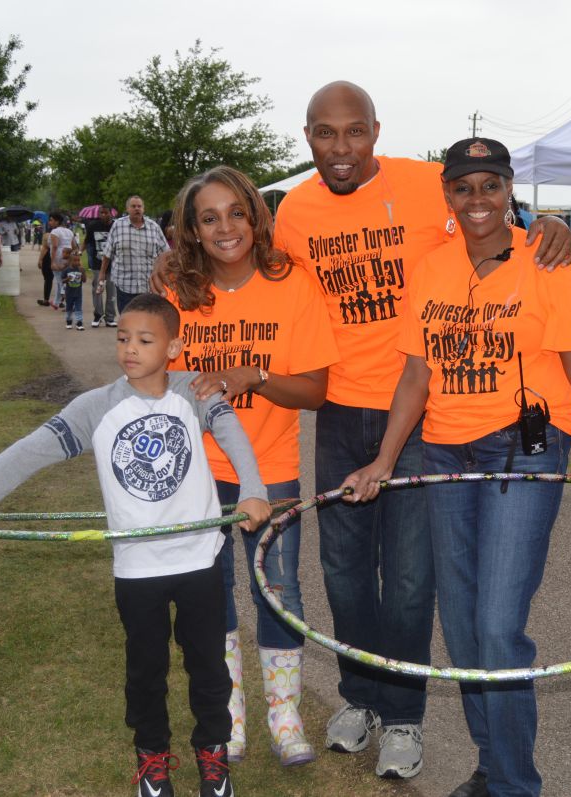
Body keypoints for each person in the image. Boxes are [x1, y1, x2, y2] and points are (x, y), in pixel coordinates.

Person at [202, 81, 571, 782]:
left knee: (408, 581)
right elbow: (253, 270)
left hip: (420, 412)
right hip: (340, 411)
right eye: (324, 134)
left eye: (353, 132)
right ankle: (360, 698)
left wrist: (553, 222)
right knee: (344, 575)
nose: (340, 148)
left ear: (376, 130)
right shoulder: (296, 210)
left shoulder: (421, 184)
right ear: (307, 135)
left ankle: (404, 717)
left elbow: (490, 213)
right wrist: (178, 264)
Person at [341, 137, 571, 797]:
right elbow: (414, 375)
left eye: (491, 185)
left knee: (495, 624)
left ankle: (516, 785)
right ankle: (493, 766)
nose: (478, 199)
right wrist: (382, 458)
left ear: (509, 188)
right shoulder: (429, 268)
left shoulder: (547, 261)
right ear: (448, 196)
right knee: (460, 627)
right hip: (446, 448)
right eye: (464, 187)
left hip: (524, 443)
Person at [0, 293, 270, 797]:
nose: (130, 348)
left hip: (199, 561)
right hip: (137, 570)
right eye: (122, 337)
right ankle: (153, 760)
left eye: (145, 340)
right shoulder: (94, 408)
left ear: (174, 346)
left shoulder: (194, 393)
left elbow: (234, 436)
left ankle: (213, 755)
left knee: (209, 669)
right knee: (145, 672)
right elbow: (27, 453)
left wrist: (254, 490)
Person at [158, 165, 339, 767]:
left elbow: (314, 390)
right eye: (209, 217)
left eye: (236, 212)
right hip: (196, 471)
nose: (225, 227)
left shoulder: (293, 283)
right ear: (191, 230)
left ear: (257, 216)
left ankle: (284, 716)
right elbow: (151, 376)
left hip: (272, 467)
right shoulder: (176, 289)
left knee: (278, 591)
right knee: (211, 594)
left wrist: (252, 377)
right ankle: (227, 716)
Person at [100, 196, 169, 313]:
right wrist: (102, 273)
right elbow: (107, 253)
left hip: (148, 286)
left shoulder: (154, 228)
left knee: (146, 322)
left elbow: (166, 254)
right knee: (127, 321)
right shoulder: (118, 226)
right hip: (124, 285)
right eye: (133, 206)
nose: (137, 209)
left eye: (139, 206)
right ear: (127, 209)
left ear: (143, 209)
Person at [85, 204, 118, 327]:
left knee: (111, 291)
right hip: (97, 263)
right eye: (101, 213)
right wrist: (78, 252)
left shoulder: (116, 226)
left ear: (111, 213)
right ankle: (98, 314)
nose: (103, 215)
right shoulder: (93, 226)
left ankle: (110, 317)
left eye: (106, 213)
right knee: (97, 290)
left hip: (113, 264)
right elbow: (87, 241)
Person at [47, 211, 75, 310]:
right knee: (63, 280)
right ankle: (56, 302)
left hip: (58, 257)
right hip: (67, 256)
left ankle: (69, 303)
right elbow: (74, 246)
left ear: (57, 221)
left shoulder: (55, 232)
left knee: (60, 281)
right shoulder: (69, 231)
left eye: (51, 220)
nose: (49, 222)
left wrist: (53, 262)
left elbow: (54, 246)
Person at [61, 244, 86, 330]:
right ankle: (68, 321)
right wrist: (67, 279)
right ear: (70, 261)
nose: (77, 262)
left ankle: (79, 322)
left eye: (78, 260)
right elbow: (62, 280)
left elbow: (84, 280)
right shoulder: (67, 270)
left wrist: (83, 273)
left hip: (78, 294)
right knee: (69, 308)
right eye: (75, 261)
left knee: (78, 308)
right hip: (69, 293)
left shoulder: (80, 269)